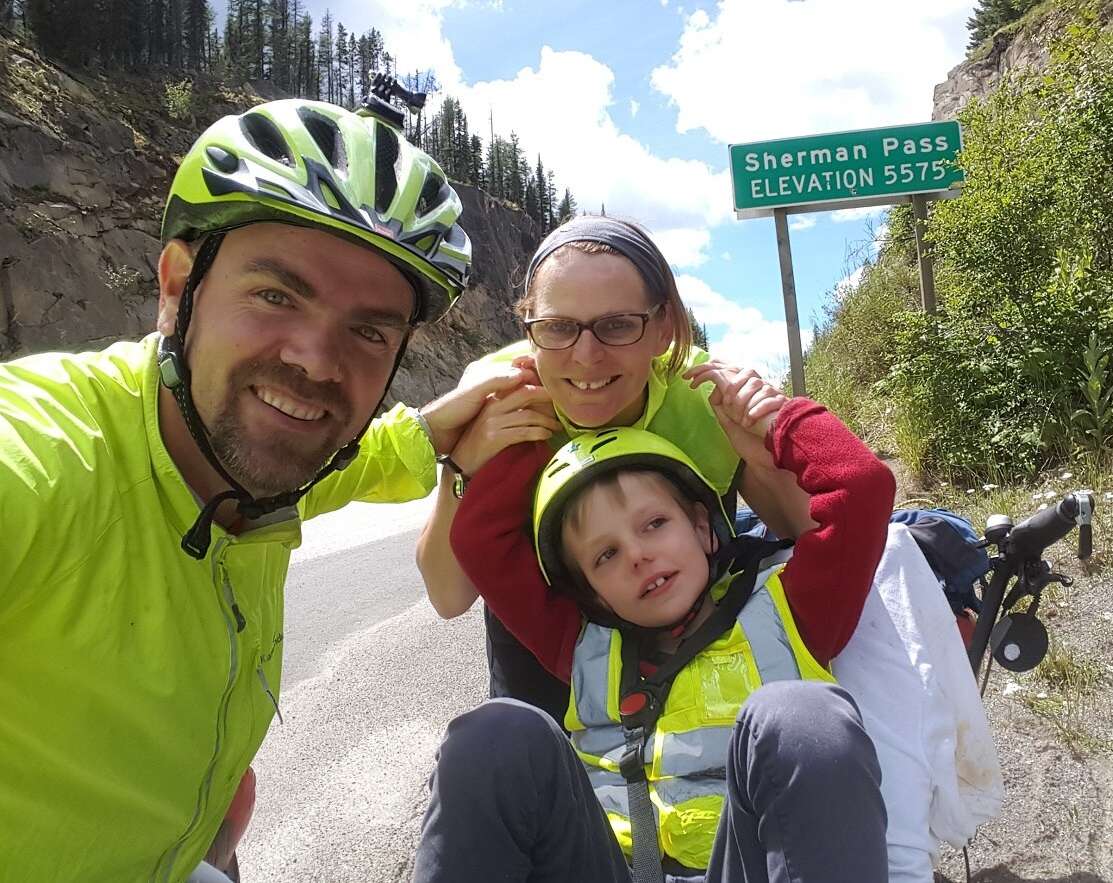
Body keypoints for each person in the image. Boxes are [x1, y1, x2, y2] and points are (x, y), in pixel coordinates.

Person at [0, 95, 518, 881]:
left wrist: (444, 428)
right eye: (276, 296)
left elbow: (369, 455)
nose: (315, 361)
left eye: (370, 331)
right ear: (178, 284)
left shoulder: (266, 467)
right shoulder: (47, 451)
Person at [413, 373, 898, 881]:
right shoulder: (579, 644)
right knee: (495, 731)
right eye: (605, 555)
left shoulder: (791, 609)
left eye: (654, 524)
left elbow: (861, 488)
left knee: (804, 715)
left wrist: (778, 421)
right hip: (604, 864)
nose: (639, 555)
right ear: (593, 594)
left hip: (740, 867)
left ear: (703, 527)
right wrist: (541, 419)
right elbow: (481, 540)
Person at [416, 215, 796, 723]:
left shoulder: (705, 395)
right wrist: (461, 463)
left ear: (663, 329)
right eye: (557, 327)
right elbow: (448, 596)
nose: (586, 355)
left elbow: (799, 532)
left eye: (618, 325)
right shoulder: (498, 397)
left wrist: (762, 448)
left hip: (703, 641)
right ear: (529, 329)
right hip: (547, 656)